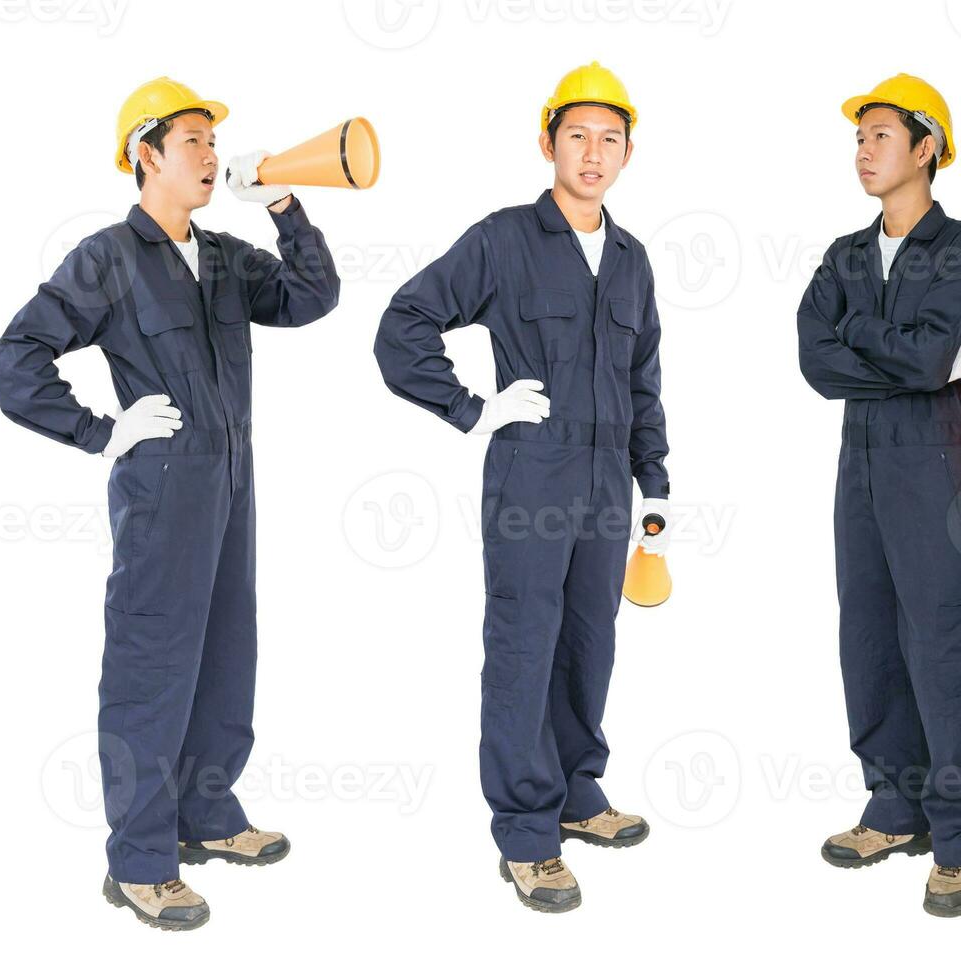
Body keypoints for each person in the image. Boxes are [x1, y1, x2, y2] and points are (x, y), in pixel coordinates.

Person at [0, 76, 340, 930]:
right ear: (145, 155)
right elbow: (13, 364)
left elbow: (310, 298)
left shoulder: (223, 256)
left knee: (226, 650)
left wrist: (286, 206)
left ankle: (207, 819)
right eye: (192, 141)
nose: (212, 156)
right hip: (162, 493)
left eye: (214, 142)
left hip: (232, 481)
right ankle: (141, 861)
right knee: (152, 668)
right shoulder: (106, 259)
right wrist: (99, 432)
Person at [373, 62, 669, 914]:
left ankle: (578, 791)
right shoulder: (504, 239)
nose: (593, 153)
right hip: (530, 478)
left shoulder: (633, 257)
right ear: (548, 142)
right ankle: (527, 834)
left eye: (610, 139)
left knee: (589, 645)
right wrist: (472, 411)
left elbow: (644, 374)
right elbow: (405, 322)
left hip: (608, 486)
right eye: (577, 135)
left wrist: (655, 479)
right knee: (522, 649)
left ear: (627, 153)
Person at [797, 73, 961, 917]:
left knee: (940, 653)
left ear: (926, 150)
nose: (864, 151)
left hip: (938, 470)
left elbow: (925, 361)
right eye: (858, 138)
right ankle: (893, 807)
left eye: (880, 136)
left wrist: (865, 340)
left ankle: (958, 841)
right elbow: (813, 360)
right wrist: (899, 351)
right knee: (869, 641)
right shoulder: (844, 253)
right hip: (861, 470)